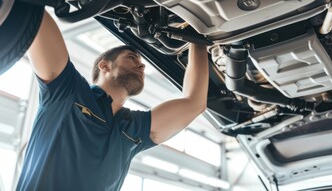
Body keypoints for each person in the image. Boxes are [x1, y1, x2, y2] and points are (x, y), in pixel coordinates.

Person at [16, 11, 209, 191]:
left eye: (140, 62)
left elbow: (194, 103)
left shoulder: (134, 127)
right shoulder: (68, 91)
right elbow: (35, 16)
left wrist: (197, 38)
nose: (141, 65)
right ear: (104, 66)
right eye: (132, 58)